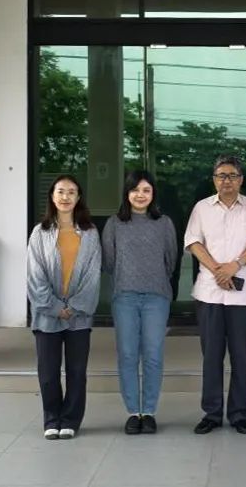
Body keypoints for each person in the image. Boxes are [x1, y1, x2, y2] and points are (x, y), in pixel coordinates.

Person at [184, 154, 246, 434]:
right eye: (221, 176)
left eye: (232, 176)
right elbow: (194, 242)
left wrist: (235, 266)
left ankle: (240, 414)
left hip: (243, 297)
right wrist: (218, 270)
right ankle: (212, 413)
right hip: (209, 293)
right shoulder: (202, 208)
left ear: (241, 180)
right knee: (211, 356)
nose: (226, 181)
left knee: (241, 357)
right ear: (214, 180)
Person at [102, 170, 178, 435]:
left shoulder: (164, 223)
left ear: (153, 194)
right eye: (135, 190)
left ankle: (150, 411)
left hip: (156, 297)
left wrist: (153, 278)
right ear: (127, 193)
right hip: (125, 296)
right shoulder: (114, 224)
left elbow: (171, 260)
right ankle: (134, 412)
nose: (140, 195)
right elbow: (109, 262)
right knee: (127, 354)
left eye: (146, 190)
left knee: (153, 354)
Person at [26, 174, 102, 441]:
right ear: (52, 196)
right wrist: (55, 307)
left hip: (79, 317)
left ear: (78, 197)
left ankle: (70, 419)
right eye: (60, 191)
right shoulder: (40, 233)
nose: (65, 197)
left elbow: (93, 274)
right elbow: (34, 275)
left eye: (71, 192)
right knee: (48, 373)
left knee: (76, 372)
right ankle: (51, 419)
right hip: (47, 316)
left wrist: (76, 306)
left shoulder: (90, 233)